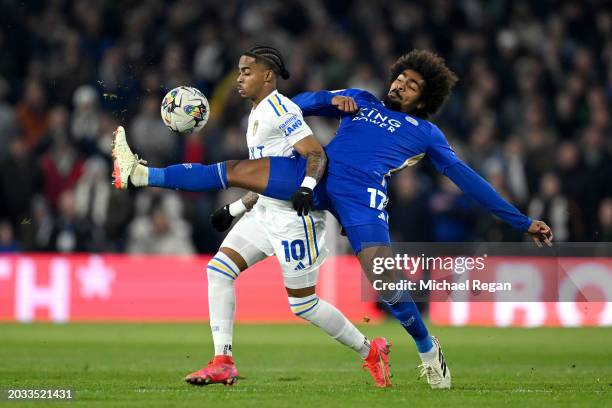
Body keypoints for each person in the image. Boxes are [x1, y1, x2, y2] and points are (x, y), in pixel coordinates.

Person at [112, 50, 554, 390]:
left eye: (412, 85)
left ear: (427, 98)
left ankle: (425, 347)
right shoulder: (360, 100)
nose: (400, 85)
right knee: (236, 169)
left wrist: (520, 222)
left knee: (386, 284)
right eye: (400, 77)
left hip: (362, 199)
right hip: (319, 177)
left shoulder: (426, 135)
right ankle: (142, 173)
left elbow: (468, 179)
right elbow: (289, 105)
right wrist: (327, 99)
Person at [118, 45, 392, 388]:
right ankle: (223, 361)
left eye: (247, 71)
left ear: (267, 75)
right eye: (238, 71)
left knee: (303, 305)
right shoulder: (256, 113)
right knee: (218, 271)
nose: (239, 78)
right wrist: (236, 208)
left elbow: (315, 154)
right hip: (264, 213)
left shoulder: (280, 108)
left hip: (295, 218)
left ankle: (371, 351)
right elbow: (269, 174)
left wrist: (307, 187)